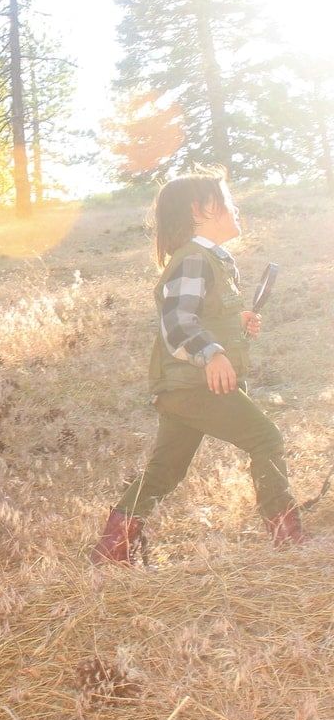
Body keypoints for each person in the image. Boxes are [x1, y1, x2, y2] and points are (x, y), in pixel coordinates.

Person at [91, 168, 305, 565]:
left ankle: (111, 552)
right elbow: (177, 322)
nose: (236, 208)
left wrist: (233, 323)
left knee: (164, 472)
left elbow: (199, 315)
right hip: (193, 386)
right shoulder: (193, 259)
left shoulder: (211, 260)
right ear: (202, 208)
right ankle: (288, 541)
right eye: (228, 201)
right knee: (267, 439)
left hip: (182, 389)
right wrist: (213, 353)